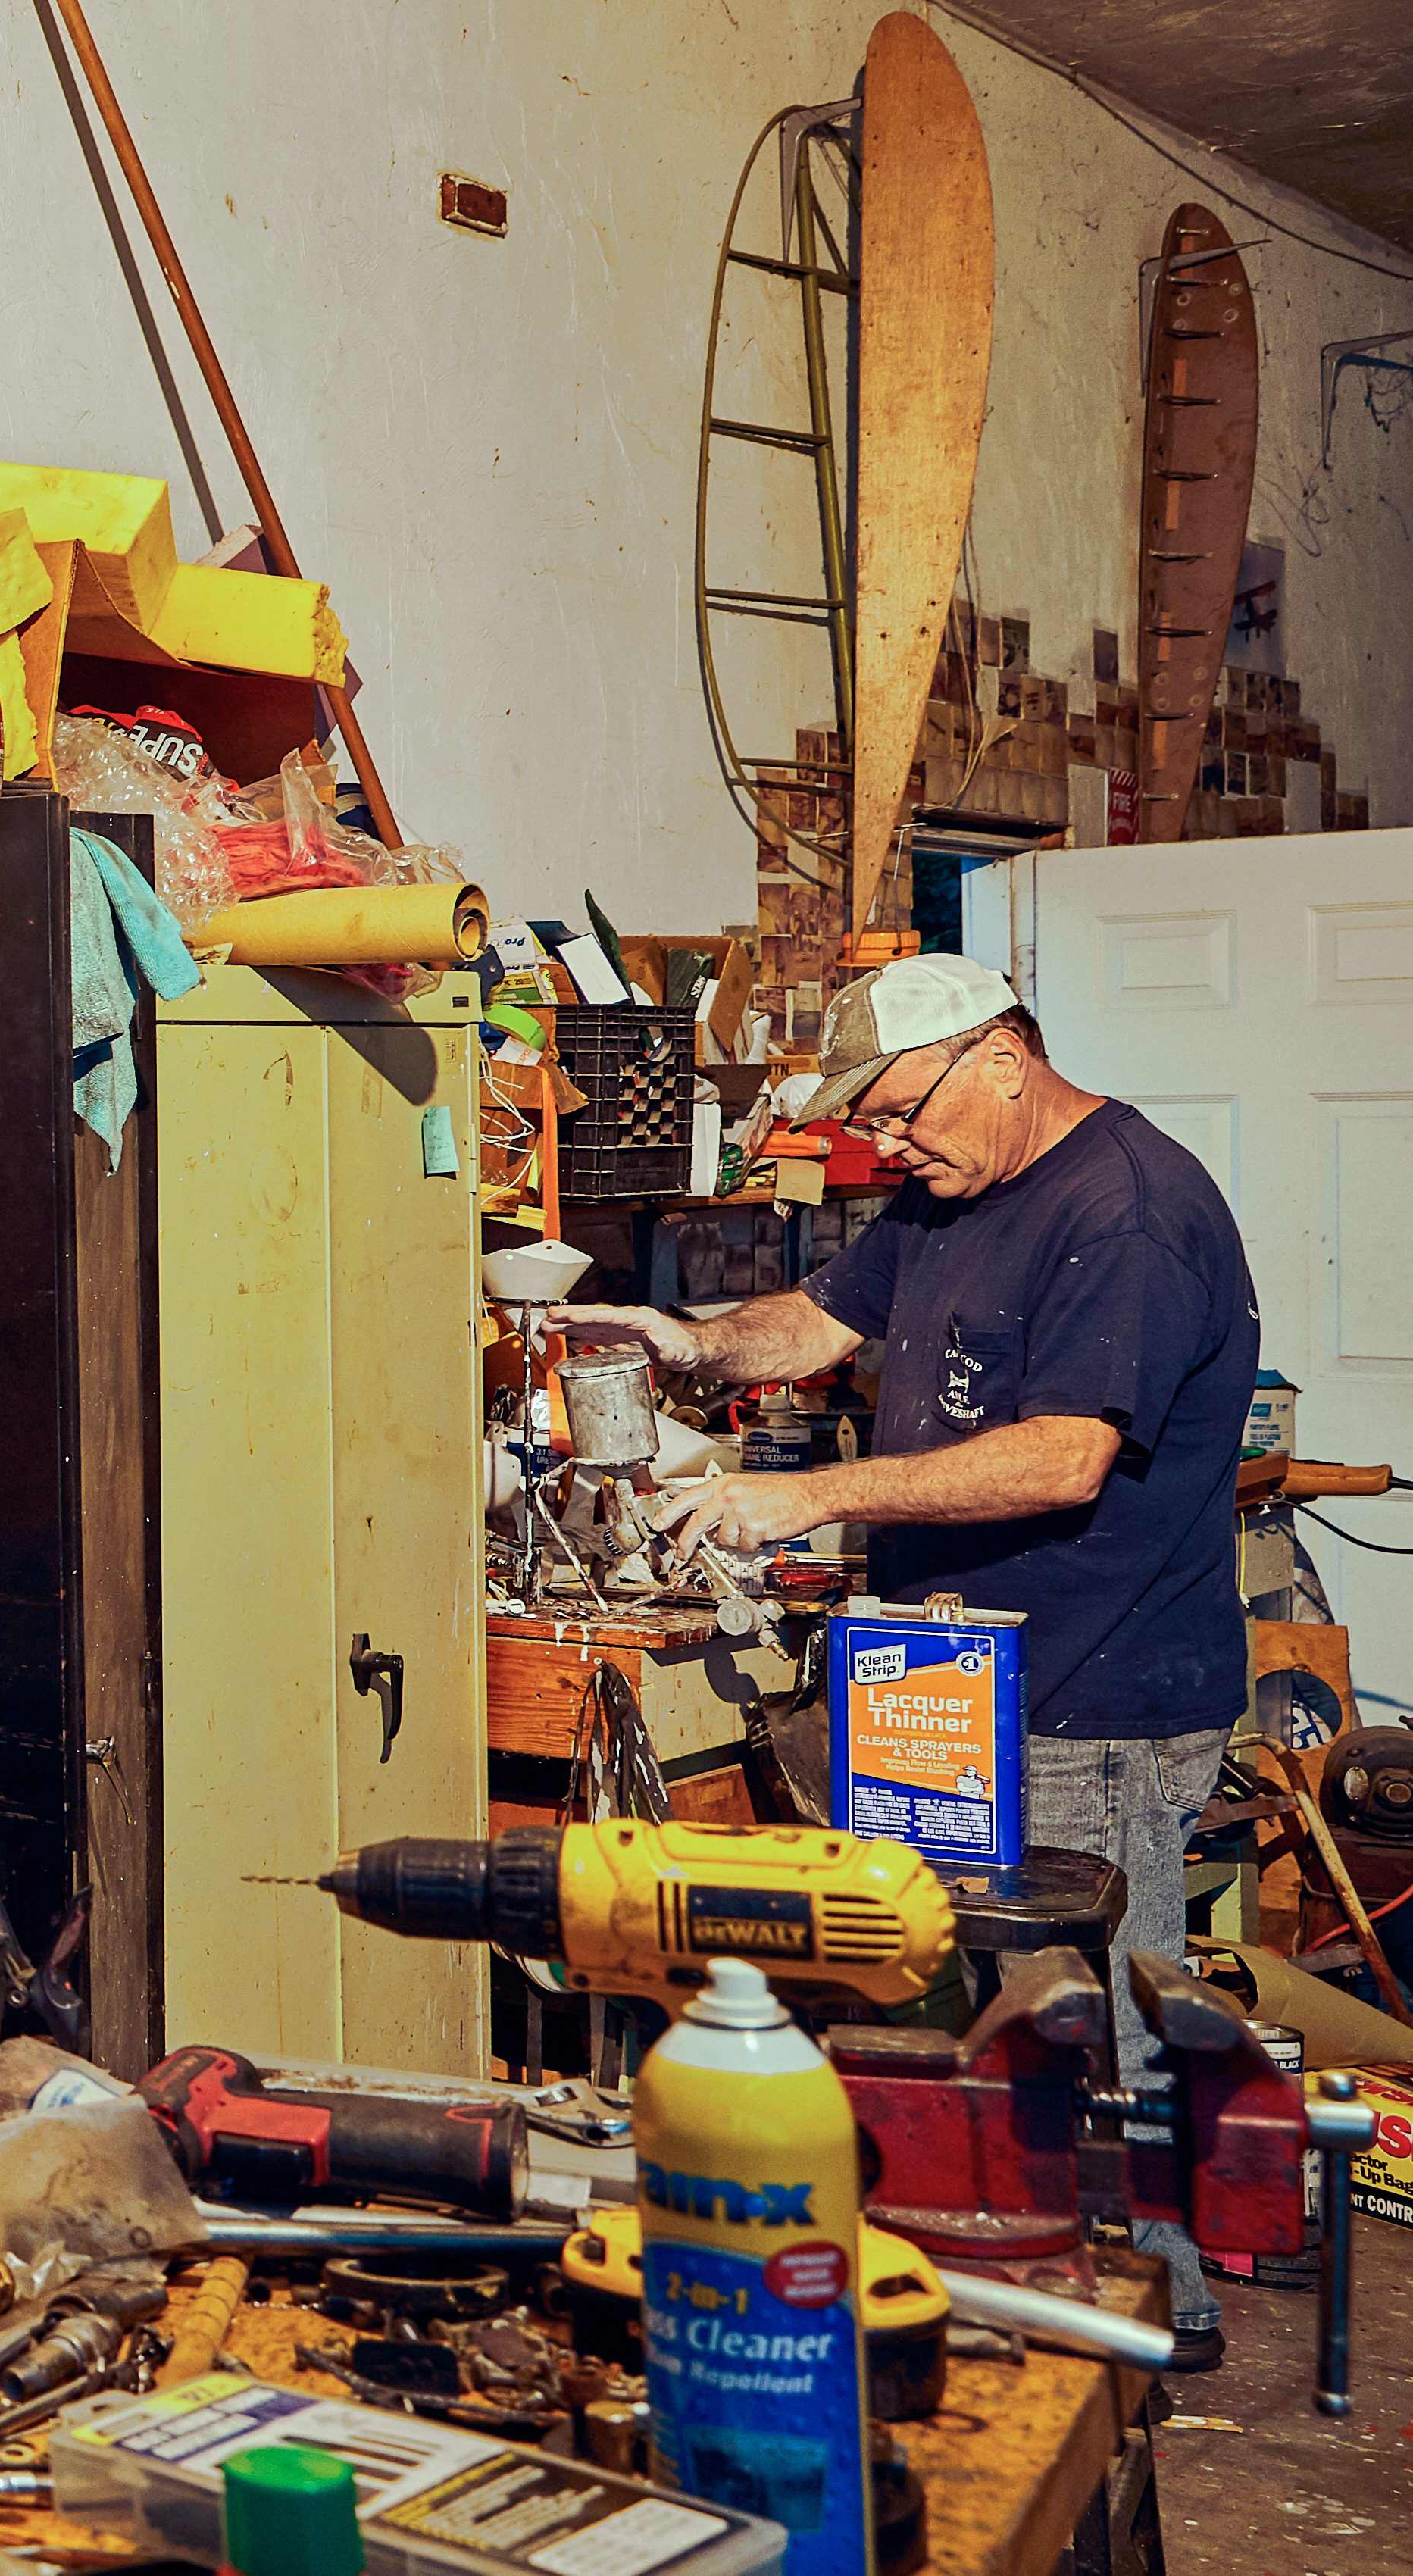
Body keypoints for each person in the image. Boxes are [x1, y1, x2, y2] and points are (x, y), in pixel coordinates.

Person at [559, 951, 1261, 2364]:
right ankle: (1005, 2285)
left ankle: (1142, 2331)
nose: (888, 1146)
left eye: (896, 1112)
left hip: (1098, 1691)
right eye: (869, 1128)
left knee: (1086, 2022)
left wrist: (809, 1495)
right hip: (955, 1679)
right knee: (957, 2015)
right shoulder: (952, 1190)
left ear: (1002, 1056)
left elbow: (1068, 1460)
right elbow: (818, 1320)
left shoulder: (1123, 1214)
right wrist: (691, 1342)